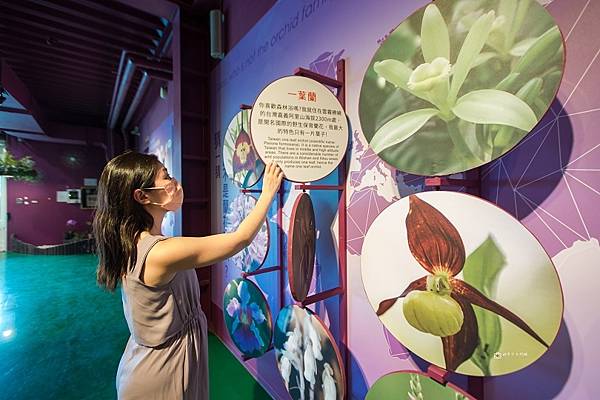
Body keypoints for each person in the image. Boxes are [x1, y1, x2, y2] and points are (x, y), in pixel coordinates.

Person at [92, 150, 283, 399]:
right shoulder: (160, 253)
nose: (175, 183)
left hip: (153, 361)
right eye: (166, 177)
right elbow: (240, 239)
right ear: (142, 196)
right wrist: (267, 192)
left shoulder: (134, 242)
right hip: (161, 372)